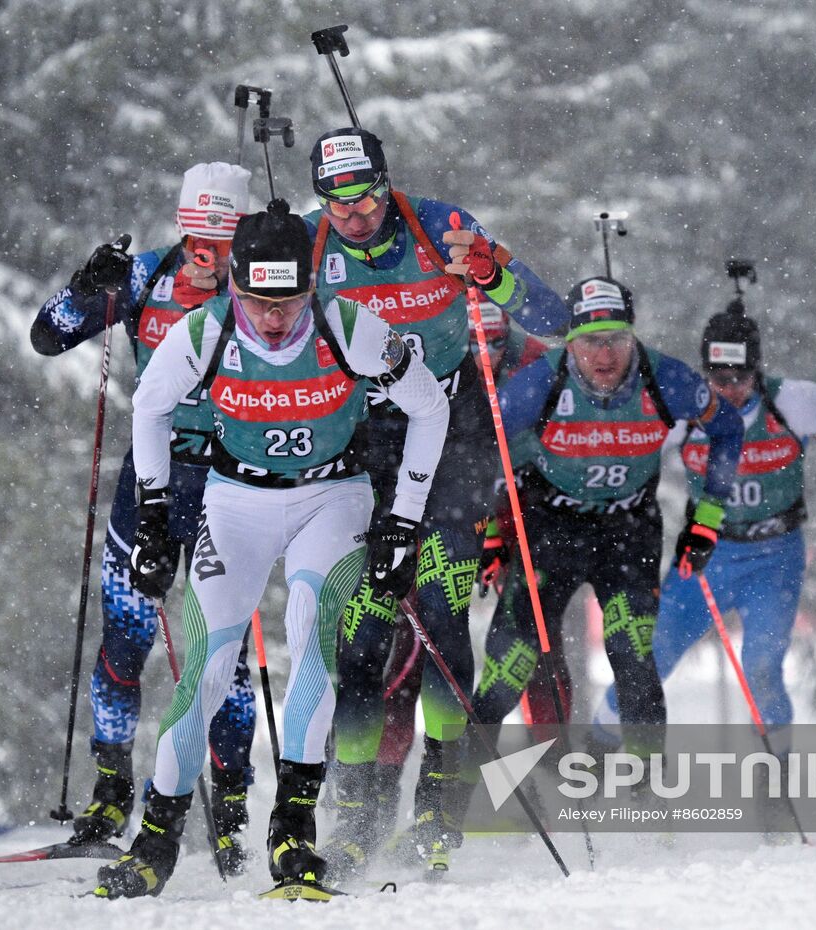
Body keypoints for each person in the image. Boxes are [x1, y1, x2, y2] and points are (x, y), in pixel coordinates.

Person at [93, 199, 449, 899]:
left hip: (332, 497)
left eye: (288, 300)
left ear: (311, 285)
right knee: (208, 660)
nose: (274, 316)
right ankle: (155, 840)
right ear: (234, 285)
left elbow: (429, 406)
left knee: (310, 636)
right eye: (257, 299)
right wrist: (157, 514)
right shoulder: (207, 329)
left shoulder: (350, 327)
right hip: (236, 500)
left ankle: (292, 833)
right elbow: (149, 406)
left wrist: (404, 522)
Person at [305, 126, 567, 878]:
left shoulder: (444, 225)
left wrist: (494, 275)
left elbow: (554, 321)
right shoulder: (311, 246)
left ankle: (439, 807)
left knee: (444, 619)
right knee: (360, 640)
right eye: (337, 203)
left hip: (452, 439)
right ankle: (355, 813)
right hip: (361, 443)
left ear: (387, 184)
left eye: (365, 198)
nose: (353, 217)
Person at [31, 163, 257, 869]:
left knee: (226, 659)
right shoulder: (144, 280)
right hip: (151, 486)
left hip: (231, 485)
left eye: (223, 235)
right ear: (183, 221)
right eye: (198, 230)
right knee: (124, 645)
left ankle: (233, 808)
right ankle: (109, 793)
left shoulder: (267, 285)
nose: (207, 250)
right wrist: (83, 285)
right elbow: (48, 336)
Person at [592, 296, 816, 748]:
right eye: (718, 379)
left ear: (758, 371)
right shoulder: (682, 412)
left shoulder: (797, 403)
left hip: (775, 558)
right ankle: (592, 755)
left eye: (741, 378)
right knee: (649, 656)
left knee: (762, 669)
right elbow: (625, 461)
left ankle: (776, 790)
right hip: (709, 555)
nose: (729, 390)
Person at [471, 276, 743, 761]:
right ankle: (445, 809)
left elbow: (728, 429)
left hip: (627, 534)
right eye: (590, 341)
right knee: (506, 670)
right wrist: (492, 533)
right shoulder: (539, 383)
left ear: (633, 335)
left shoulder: (668, 380)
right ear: (569, 342)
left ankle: (646, 803)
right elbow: (487, 451)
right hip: (550, 530)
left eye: (616, 338)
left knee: (634, 663)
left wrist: (706, 518)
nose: (604, 355)